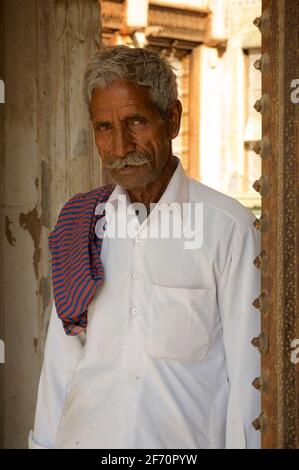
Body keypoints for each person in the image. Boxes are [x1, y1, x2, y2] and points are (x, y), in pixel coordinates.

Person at [29, 45, 261, 449]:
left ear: (172, 119)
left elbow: (249, 378)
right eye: (104, 127)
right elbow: (60, 367)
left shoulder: (228, 229)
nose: (120, 147)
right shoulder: (81, 223)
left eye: (135, 121)